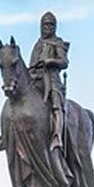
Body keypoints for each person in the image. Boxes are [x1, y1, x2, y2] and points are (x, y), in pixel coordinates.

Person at [29, 11, 69, 150]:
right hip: (35, 77)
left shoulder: (57, 42)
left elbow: (64, 62)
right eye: (45, 25)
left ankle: (57, 135)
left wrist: (50, 61)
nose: (48, 28)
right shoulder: (38, 44)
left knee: (55, 101)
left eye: (50, 25)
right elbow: (32, 63)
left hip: (51, 76)